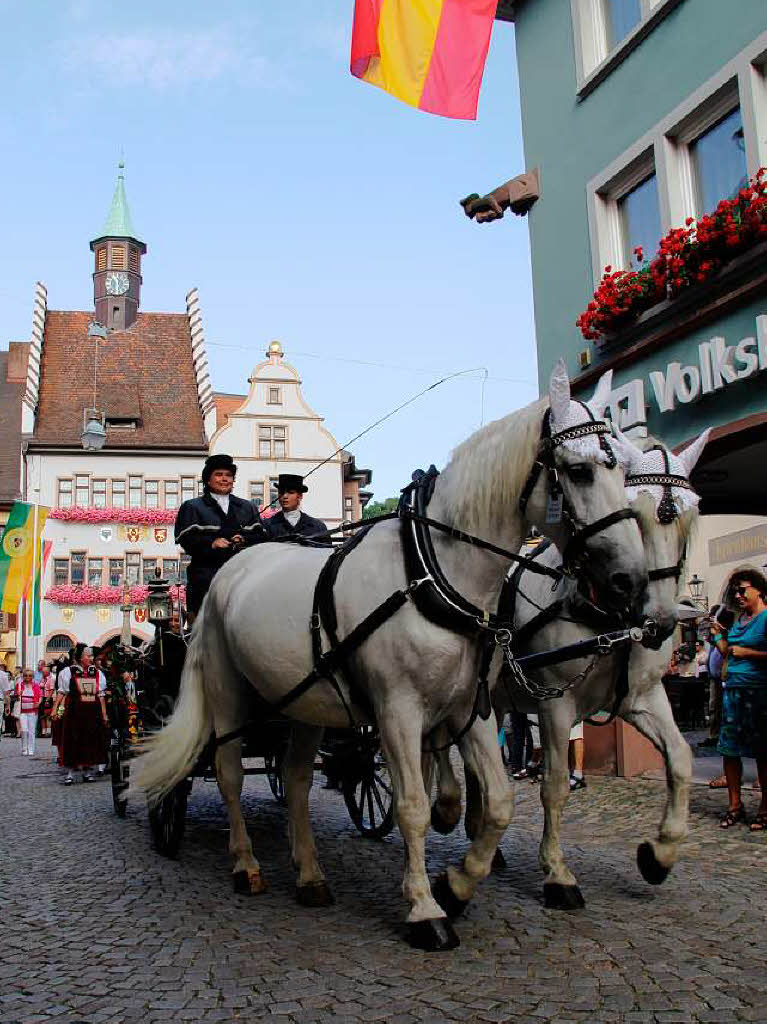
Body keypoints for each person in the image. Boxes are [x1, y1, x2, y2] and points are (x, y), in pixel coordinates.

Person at [174, 453, 267, 619]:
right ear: (208, 480)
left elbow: (261, 537)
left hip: (242, 580)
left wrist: (244, 539)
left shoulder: (247, 507)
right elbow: (187, 541)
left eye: (229, 475)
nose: (224, 479)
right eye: (218, 474)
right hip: (205, 580)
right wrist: (212, 543)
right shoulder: (193, 507)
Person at [716, 570, 767, 831]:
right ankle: (735, 805)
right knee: (729, 749)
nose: (738, 595)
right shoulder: (739, 620)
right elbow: (728, 653)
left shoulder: (766, 617)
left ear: (759, 589)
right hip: (733, 691)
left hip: (758, 692)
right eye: (735, 591)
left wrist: (749, 652)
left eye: (743, 589)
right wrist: (717, 637)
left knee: (762, 751)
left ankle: (765, 807)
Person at [52, 647, 108, 784]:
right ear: (80, 657)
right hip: (74, 711)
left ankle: (88, 771)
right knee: (73, 739)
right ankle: (70, 773)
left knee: (90, 739)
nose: (91, 658)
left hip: (92, 712)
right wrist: (55, 708)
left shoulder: (97, 673)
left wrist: (104, 714)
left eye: (91, 656)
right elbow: (62, 692)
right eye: (88, 656)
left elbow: (100, 695)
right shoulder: (68, 672)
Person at [265, 474, 332, 546]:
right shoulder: (267, 526)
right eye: (281, 492)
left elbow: (326, 554)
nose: (285, 496)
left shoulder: (318, 527)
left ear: (300, 496)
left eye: (290, 492)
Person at [15, 668, 42, 756]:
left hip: (32, 711)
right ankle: (24, 748)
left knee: (31, 731)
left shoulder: (36, 686)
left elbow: (40, 696)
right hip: (22, 711)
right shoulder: (19, 685)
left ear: (33, 677)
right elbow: (15, 696)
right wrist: (18, 693)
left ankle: (31, 749)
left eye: (30, 676)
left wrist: (38, 703)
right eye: (26, 675)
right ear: (23, 676)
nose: (28, 677)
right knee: (24, 730)